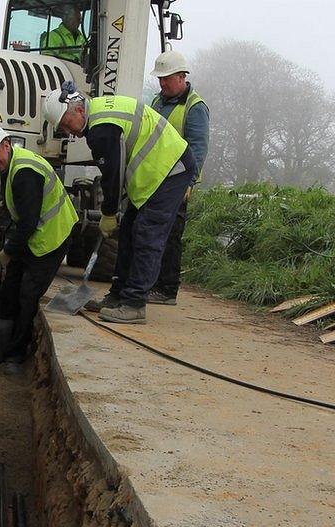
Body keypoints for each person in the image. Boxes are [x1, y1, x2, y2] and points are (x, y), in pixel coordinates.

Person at [43, 83, 197, 324]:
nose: (68, 132)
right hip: (153, 175)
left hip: (170, 171)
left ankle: (134, 304)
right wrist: (113, 214)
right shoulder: (99, 112)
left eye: (66, 123)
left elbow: (112, 177)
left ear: (78, 111)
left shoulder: (102, 130)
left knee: (147, 235)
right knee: (128, 232)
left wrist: (108, 212)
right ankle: (117, 296)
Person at [0, 124, 78, 363]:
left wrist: (8, 252)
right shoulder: (9, 165)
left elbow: (28, 223)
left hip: (52, 236)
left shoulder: (24, 172)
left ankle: (17, 354)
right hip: (34, 234)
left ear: (6, 144)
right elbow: (22, 209)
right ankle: (3, 342)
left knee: (27, 295)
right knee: (10, 287)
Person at [148, 50, 209, 305]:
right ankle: (152, 283)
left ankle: (167, 288)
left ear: (182, 76)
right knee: (152, 233)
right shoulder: (156, 102)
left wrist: (189, 182)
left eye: (166, 78)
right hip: (154, 179)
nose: (162, 83)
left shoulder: (195, 108)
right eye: (160, 78)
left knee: (172, 235)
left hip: (177, 181)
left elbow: (198, 147)